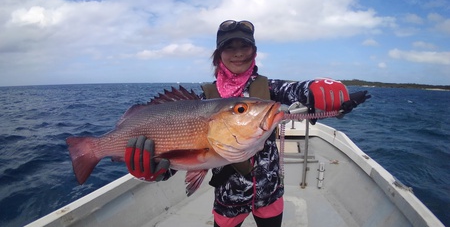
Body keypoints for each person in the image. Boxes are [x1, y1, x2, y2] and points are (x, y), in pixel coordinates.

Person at [124, 20, 370, 227]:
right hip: (228, 199)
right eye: (229, 47)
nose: (238, 52)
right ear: (218, 54)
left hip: (270, 193)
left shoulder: (268, 89)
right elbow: (178, 152)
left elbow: (296, 90)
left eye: (245, 46)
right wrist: (155, 172)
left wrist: (320, 90)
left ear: (254, 51)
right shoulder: (202, 101)